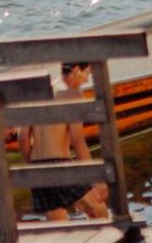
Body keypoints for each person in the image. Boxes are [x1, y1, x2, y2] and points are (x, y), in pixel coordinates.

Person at [21, 63, 109, 222]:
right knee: (99, 210)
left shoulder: (38, 92)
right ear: (76, 70)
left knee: (60, 226)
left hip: (37, 169)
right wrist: (96, 178)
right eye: (87, 73)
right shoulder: (73, 95)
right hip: (60, 164)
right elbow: (78, 141)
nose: (88, 78)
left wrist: (32, 164)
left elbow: (23, 138)